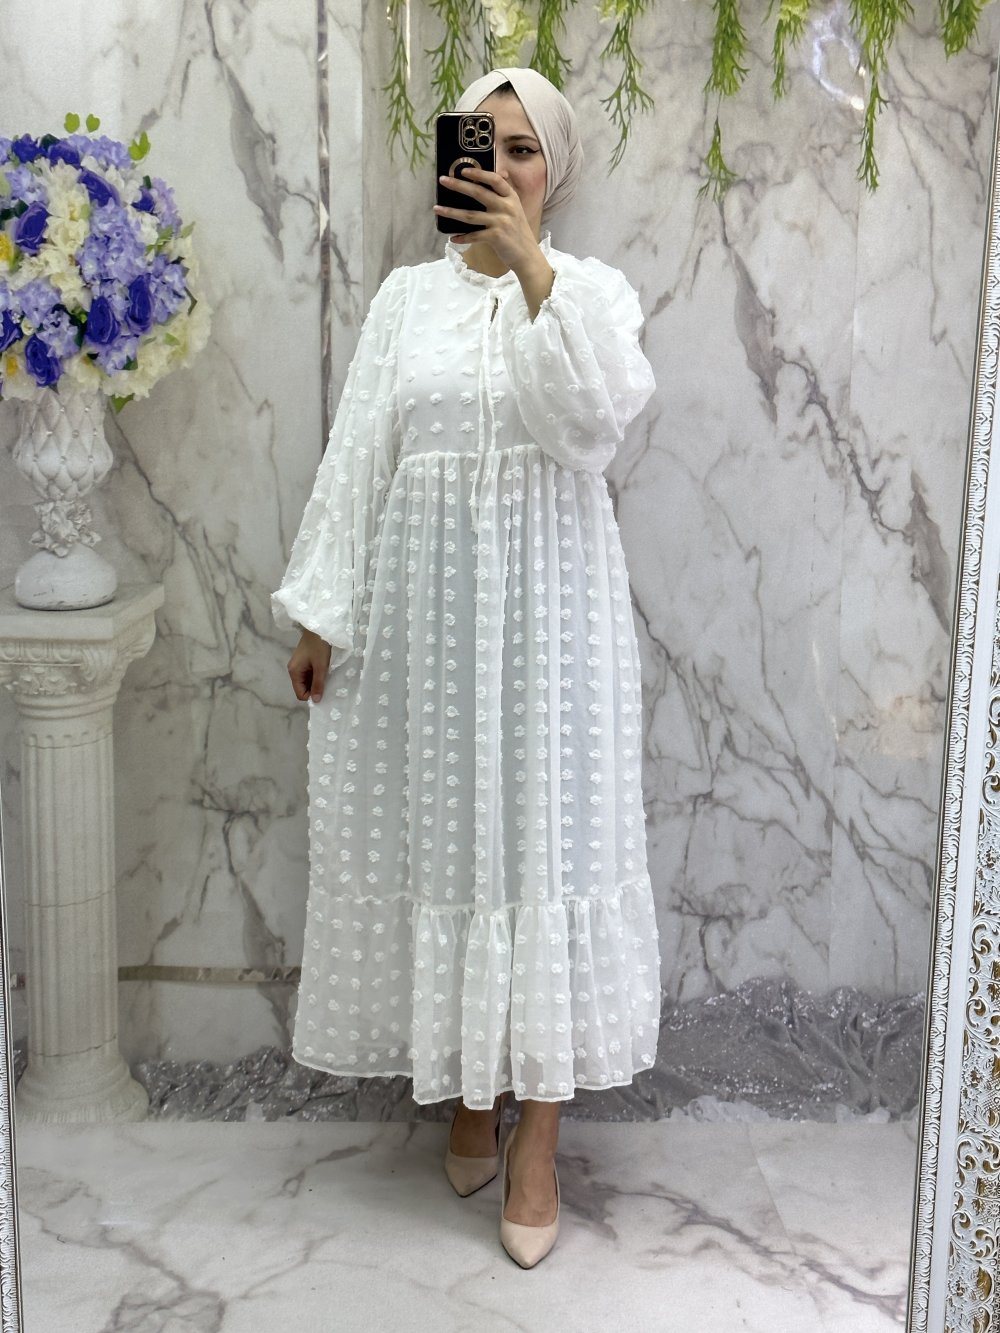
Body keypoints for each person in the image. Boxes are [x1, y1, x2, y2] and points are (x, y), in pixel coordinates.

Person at [271, 66, 661, 1268]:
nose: (499, 163)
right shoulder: (403, 301)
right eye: (479, 141)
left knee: (544, 850)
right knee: (447, 844)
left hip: (552, 635)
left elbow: (588, 427)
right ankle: (471, 1096)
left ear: (554, 173)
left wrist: (533, 267)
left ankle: (538, 1132)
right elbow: (359, 456)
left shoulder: (592, 294)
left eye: (522, 147)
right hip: (428, 632)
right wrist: (321, 617)